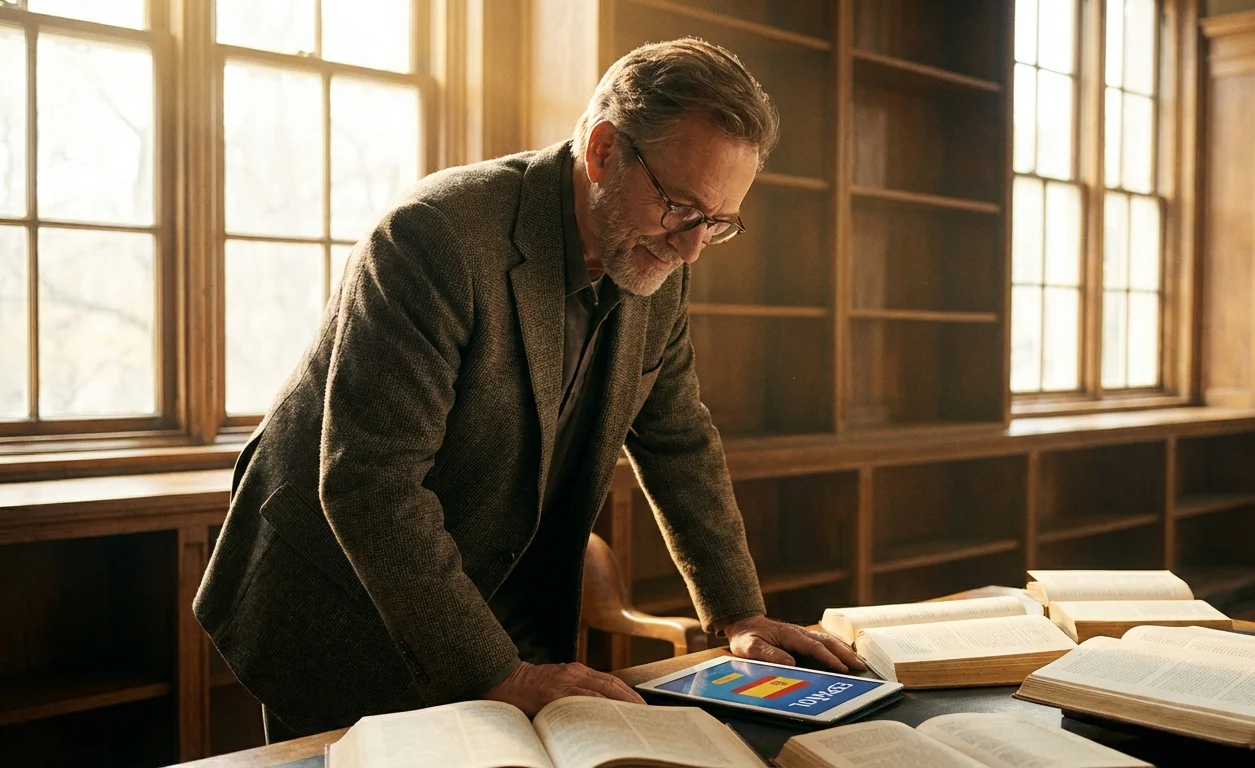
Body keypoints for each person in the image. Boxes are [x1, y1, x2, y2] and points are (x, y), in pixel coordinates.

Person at [194, 37, 864, 742]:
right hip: (343, 599)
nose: (693, 245)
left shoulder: (655, 255)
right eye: (681, 208)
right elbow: (369, 483)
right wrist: (500, 673)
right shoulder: (435, 236)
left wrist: (738, 614)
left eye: (718, 223)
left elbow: (678, 440)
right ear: (604, 150)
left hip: (492, 590)